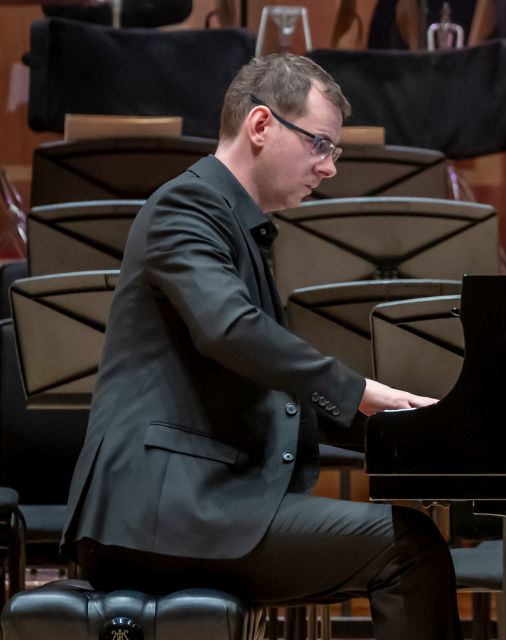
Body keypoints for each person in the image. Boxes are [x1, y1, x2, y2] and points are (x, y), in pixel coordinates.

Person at [60, 53, 463, 640]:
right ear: (261, 125)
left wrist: (412, 429)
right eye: (320, 144)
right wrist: (363, 391)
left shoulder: (230, 219)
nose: (329, 167)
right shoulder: (186, 205)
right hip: (156, 513)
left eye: (333, 150)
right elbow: (230, 331)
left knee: (409, 541)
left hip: (191, 506)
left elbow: (271, 385)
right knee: (408, 548)